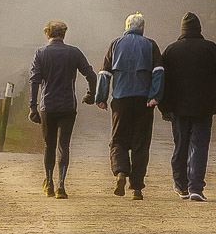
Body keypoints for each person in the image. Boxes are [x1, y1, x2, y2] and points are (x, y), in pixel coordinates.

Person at [159, 11, 216, 201]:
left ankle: (180, 185)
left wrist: (165, 107)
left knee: (180, 145)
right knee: (199, 146)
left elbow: (161, 81)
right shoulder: (212, 49)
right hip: (204, 107)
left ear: (182, 29)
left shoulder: (171, 51)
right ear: (199, 29)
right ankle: (196, 187)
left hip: (178, 109)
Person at [95, 13, 163, 200]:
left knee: (118, 140)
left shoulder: (115, 44)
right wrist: (155, 96)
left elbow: (104, 73)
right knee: (141, 143)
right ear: (142, 28)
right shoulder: (150, 45)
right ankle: (137, 188)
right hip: (144, 100)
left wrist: (101, 97)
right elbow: (159, 72)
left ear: (126, 27)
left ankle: (120, 172)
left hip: (121, 99)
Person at [28, 20, 97, 199]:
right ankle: (61, 185)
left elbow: (34, 81)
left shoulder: (40, 54)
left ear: (47, 34)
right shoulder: (74, 53)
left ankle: (49, 181)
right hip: (67, 106)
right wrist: (91, 94)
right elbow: (91, 74)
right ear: (64, 34)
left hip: (48, 106)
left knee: (48, 145)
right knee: (63, 145)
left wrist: (32, 107)